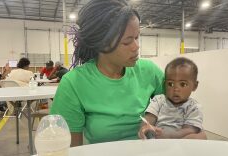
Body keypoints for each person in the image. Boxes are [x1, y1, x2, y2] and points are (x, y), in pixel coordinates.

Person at [50, 0, 205, 146]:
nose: (136, 46)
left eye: (137, 37)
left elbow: (187, 117)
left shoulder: (149, 71)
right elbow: (71, 150)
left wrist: (192, 136)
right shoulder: (74, 83)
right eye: (127, 41)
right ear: (101, 44)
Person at [138, 57, 204, 139]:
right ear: (164, 84)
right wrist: (145, 127)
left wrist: (171, 136)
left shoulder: (193, 107)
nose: (176, 89)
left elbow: (190, 129)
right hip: (157, 141)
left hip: (180, 144)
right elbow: (149, 117)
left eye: (183, 84)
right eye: (170, 84)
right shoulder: (159, 100)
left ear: (194, 86)